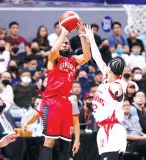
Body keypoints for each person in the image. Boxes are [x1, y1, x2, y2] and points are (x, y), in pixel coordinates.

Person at [34, 20, 90, 160]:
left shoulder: (73, 61)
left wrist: (81, 34)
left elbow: (87, 56)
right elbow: (53, 50)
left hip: (65, 103)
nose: (65, 44)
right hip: (51, 101)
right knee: (49, 140)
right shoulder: (54, 59)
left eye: (67, 43)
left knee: (66, 141)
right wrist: (64, 32)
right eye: (62, 42)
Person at [85, 25, 127, 160]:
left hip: (112, 129)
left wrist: (119, 93)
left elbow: (118, 92)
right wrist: (91, 40)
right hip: (106, 128)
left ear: (110, 69)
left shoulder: (116, 85)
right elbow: (97, 58)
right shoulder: (107, 78)